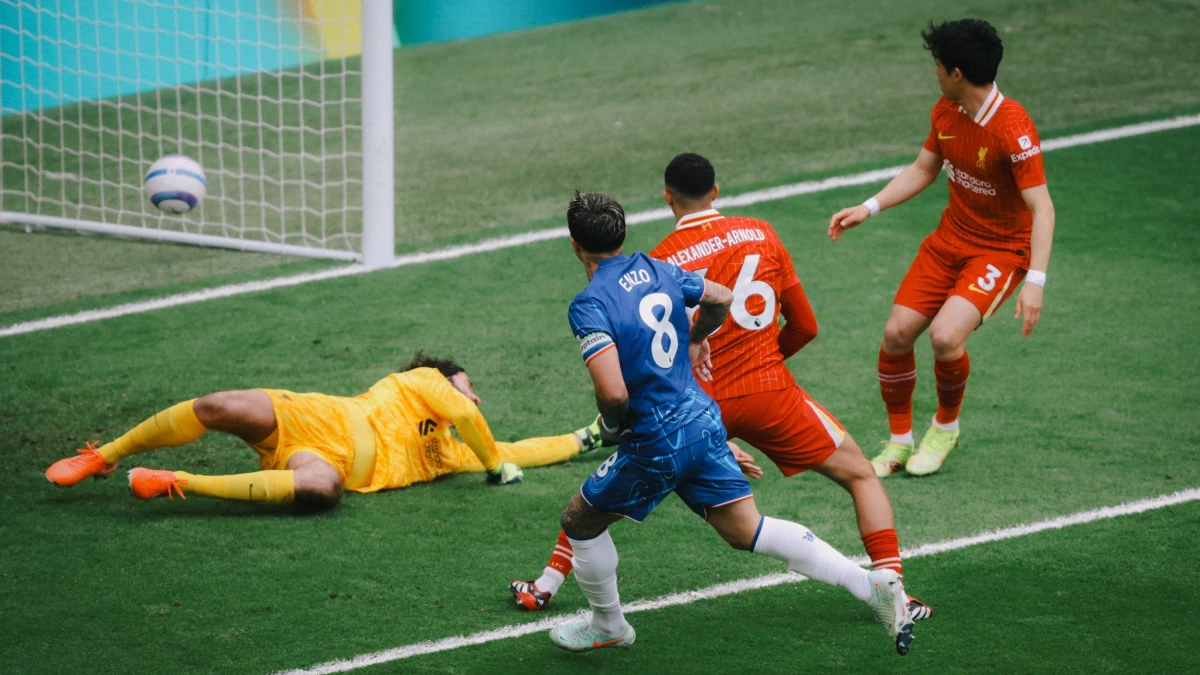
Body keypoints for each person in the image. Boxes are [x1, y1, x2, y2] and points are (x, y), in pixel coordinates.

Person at [512, 154, 932, 622]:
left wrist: (619, 420)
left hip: (682, 409)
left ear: (667, 197)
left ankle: (582, 607)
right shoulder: (720, 247)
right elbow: (800, 324)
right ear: (716, 190)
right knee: (846, 481)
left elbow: (623, 381)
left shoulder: (654, 263)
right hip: (749, 398)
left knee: (587, 510)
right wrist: (732, 352)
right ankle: (889, 589)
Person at [828, 19, 1055, 477]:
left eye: (936, 66)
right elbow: (923, 169)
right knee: (896, 334)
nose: (933, 74)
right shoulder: (947, 111)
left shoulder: (1012, 128)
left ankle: (945, 427)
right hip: (948, 241)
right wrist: (868, 207)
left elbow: (1043, 207)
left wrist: (1035, 281)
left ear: (955, 72)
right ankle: (898, 442)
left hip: (1001, 251)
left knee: (946, 336)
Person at [45, 351, 604, 508]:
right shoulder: (420, 383)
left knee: (322, 491)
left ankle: (176, 482)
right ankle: (106, 455)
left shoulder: (447, 454)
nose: (473, 395)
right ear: (441, 379)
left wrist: (587, 437)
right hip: (319, 416)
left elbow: (520, 449)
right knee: (218, 405)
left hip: (325, 462)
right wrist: (492, 466)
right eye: (468, 385)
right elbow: (471, 420)